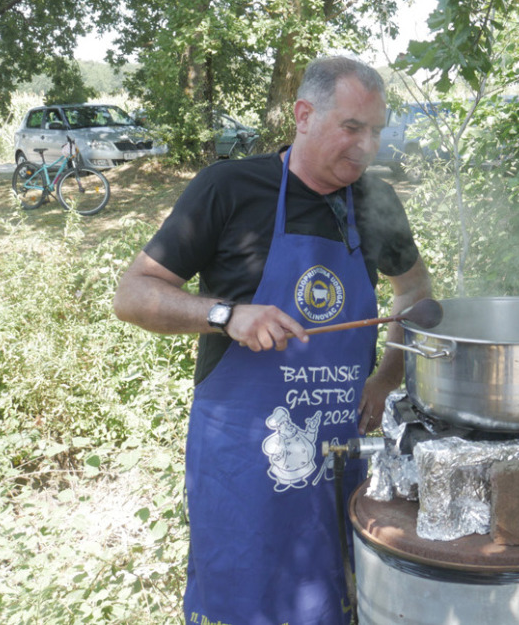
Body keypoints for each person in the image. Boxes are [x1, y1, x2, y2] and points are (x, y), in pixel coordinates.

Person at [113, 56, 432, 625]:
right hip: (244, 464)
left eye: (377, 131)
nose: (367, 148)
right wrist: (224, 314)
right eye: (352, 128)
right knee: (244, 598)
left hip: (343, 459)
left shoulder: (375, 202)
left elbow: (415, 294)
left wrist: (388, 375)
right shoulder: (230, 188)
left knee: (345, 597)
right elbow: (133, 294)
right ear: (304, 115)